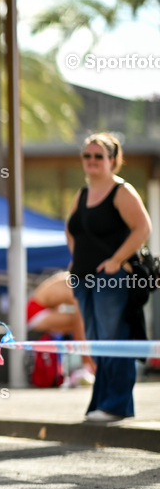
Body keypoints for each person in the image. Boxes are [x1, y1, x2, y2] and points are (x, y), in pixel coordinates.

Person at [65, 132, 151, 423]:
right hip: (83, 279)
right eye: (87, 155)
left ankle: (117, 405)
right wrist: (76, 258)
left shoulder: (122, 191)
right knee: (97, 340)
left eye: (98, 156)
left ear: (112, 160)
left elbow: (143, 228)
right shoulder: (83, 192)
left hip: (112, 280)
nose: (91, 161)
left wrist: (116, 260)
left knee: (114, 339)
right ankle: (100, 402)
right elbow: (72, 228)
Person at [25, 271, 95, 379]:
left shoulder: (71, 279)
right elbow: (79, 324)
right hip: (35, 313)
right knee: (80, 322)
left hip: (37, 311)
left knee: (81, 322)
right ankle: (87, 366)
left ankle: (85, 365)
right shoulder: (74, 283)